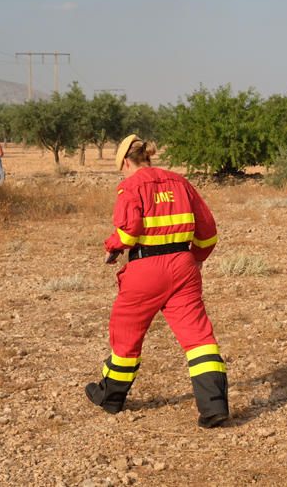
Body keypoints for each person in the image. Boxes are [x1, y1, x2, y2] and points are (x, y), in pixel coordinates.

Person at [85, 134, 229, 428]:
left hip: (145, 269)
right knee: (198, 337)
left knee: (126, 333)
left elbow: (128, 232)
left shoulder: (130, 186)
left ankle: (111, 397)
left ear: (126, 161)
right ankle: (214, 405)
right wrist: (197, 258)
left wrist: (112, 246)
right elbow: (208, 231)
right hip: (183, 266)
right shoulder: (180, 182)